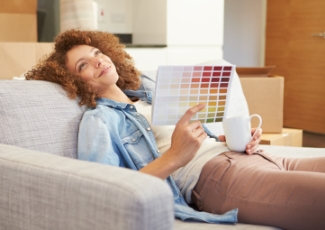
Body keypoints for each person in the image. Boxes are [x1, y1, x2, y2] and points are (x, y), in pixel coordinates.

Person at [26, 29, 325, 230]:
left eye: (95, 53)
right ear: (75, 83)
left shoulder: (151, 91)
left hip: (247, 156)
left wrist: (231, 138)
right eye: (83, 65)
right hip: (216, 178)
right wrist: (178, 156)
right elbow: (105, 190)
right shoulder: (100, 120)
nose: (97, 61)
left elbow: (198, 136)